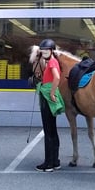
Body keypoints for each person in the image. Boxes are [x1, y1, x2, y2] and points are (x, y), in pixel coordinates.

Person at [35, 38, 63, 172]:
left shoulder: (52, 62)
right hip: (48, 94)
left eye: (47, 49)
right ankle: (55, 161)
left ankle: (48, 164)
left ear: (52, 51)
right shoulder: (52, 62)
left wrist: (51, 93)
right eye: (43, 50)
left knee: (48, 131)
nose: (44, 51)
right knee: (53, 130)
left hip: (47, 97)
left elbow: (57, 78)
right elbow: (52, 77)